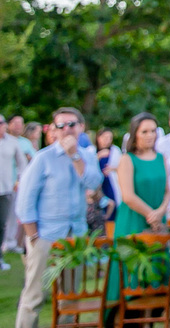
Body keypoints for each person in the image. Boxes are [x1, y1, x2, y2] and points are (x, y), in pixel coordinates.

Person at [14, 107, 103, 328]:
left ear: (81, 127)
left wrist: (74, 156)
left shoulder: (87, 156)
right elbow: (25, 201)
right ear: (54, 130)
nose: (66, 130)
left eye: (71, 124)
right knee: (34, 295)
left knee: (71, 296)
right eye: (60, 126)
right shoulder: (43, 158)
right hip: (45, 235)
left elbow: (94, 183)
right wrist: (33, 237)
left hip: (76, 236)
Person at [108, 113, 170, 302]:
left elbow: (168, 191)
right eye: (144, 131)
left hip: (158, 221)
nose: (150, 135)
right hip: (134, 220)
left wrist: (160, 212)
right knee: (132, 269)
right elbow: (128, 195)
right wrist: (150, 214)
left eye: (153, 131)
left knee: (156, 267)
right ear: (135, 134)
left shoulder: (161, 158)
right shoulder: (128, 159)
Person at [0, 113, 29, 271]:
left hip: (5, 188)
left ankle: (2, 253)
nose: (1, 125)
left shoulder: (12, 142)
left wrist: (19, 180)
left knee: (3, 223)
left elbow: (22, 164)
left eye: (2, 122)